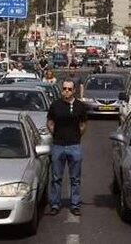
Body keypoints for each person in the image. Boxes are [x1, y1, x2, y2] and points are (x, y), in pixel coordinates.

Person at [47, 79, 87, 216]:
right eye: (64, 88)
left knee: (75, 178)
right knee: (56, 177)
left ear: (74, 90)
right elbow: (50, 123)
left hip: (74, 146)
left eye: (69, 89)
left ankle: (75, 204)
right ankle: (55, 204)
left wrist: (75, 137)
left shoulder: (80, 106)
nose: (66, 91)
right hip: (58, 146)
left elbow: (83, 126)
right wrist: (57, 135)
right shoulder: (55, 105)